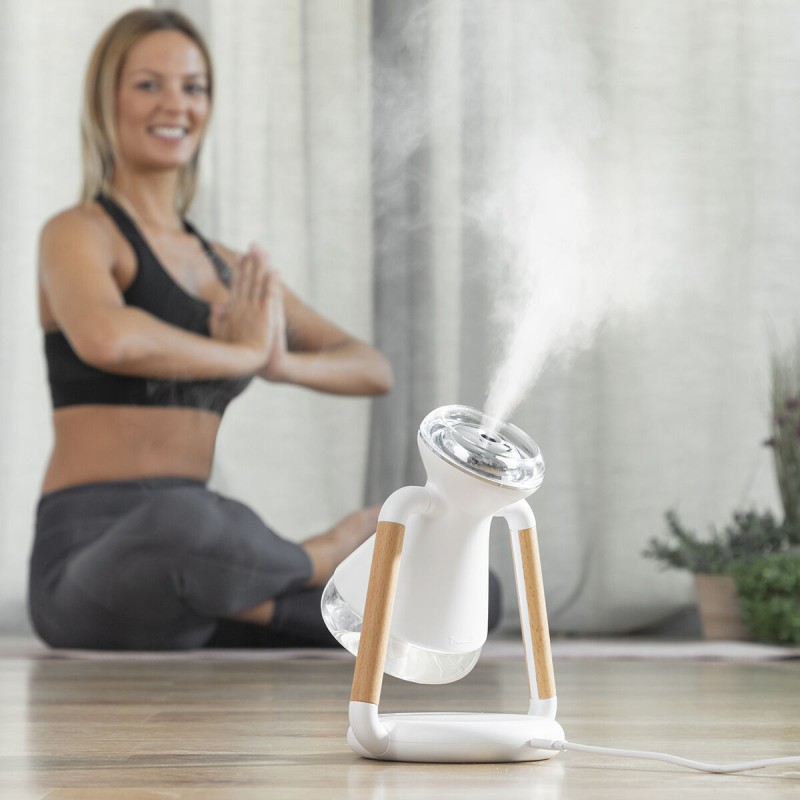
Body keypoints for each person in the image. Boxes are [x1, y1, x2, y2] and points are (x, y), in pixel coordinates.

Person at [27, 8, 394, 650]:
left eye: (193, 87)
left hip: (208, 557)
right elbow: (108, 337)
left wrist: (276, 360)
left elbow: (371, 368)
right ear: (107, 100)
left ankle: (241, 603)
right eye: (149, 84)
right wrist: (242, 353)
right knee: (187, 522)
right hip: (90, 560)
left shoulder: (229, 270)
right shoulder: (79, 232)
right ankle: (312, 561)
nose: (176, 104)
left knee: (463, 589)